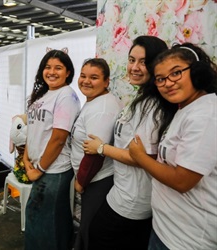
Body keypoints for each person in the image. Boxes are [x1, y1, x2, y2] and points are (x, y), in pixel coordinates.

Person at [82, 36, 178, 249]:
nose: (134, 67)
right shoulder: (141, 98)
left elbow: (143, 158)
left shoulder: (153, 107)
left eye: (143, 62)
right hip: (123, 192)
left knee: (97, 236)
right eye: (131, 60)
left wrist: (101, 148)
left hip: (131, 201)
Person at [129, 43, 217, 249]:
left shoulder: (206, 115)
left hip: (186, 239)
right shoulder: (186, 109)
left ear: (197, 73)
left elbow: (182, 181)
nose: (168, 83)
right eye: (160, 79)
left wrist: (138, 156)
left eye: (176, 73)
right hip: (167, 228)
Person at [23, 49, 81, 250]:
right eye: (48, 67)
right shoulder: (44, 93)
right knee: (47, 219)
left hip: (53, 170)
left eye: (58, 68)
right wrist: (25, 158)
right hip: (40, 166)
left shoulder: (66, 96)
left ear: (68, 72)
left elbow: (58, 138)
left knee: (44, 223)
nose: (52, 72)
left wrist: (38, 169)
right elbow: (34, 128)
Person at [70, 58, 122, 250]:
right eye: (83, 76)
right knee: (86, 229)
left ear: (106, 81)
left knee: (90, 231)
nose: (86, 81)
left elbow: (94, 154)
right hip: (92, 180)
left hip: (97, 180)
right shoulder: (94, 101)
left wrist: (81, 182)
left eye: (94, 77)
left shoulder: (102, 109)